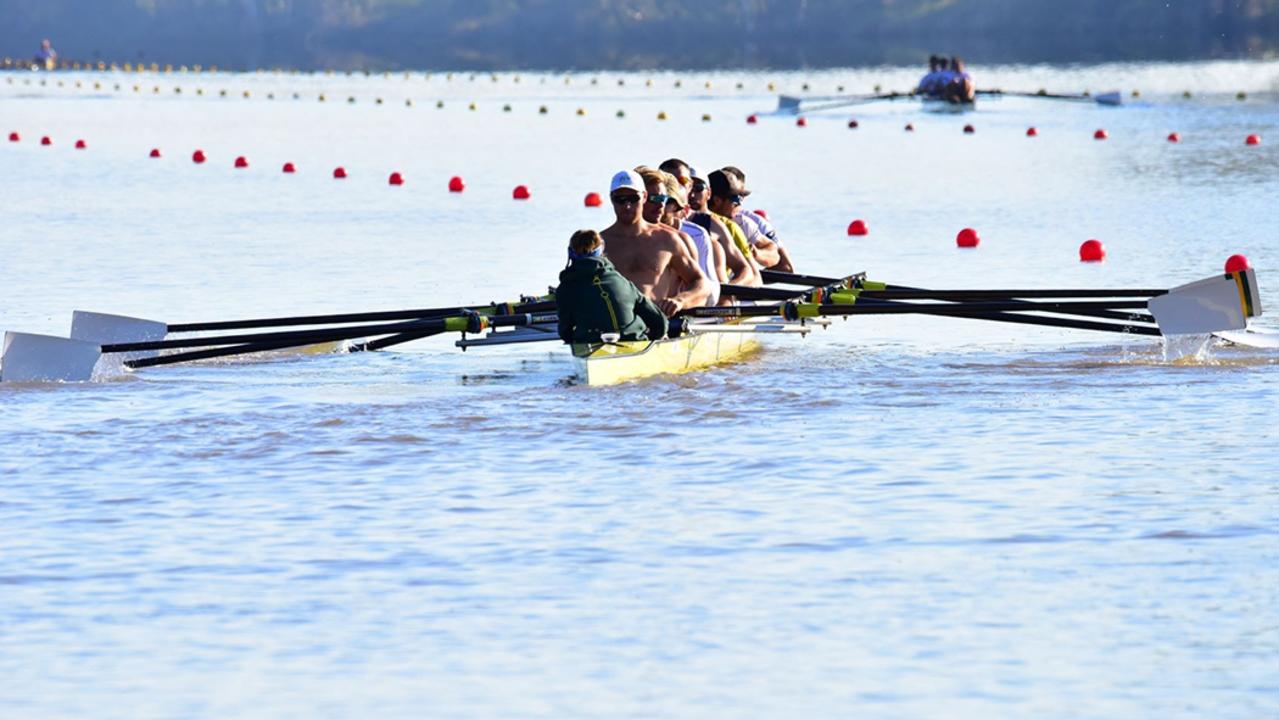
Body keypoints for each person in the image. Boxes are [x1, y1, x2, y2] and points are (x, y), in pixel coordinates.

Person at [600, 170, 711, 316]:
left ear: (644, 197)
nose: (627, 206)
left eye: (633, 199)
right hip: (615, 326)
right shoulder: (600, 243)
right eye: (620, 199)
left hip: (656, 325)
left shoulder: (668, 240)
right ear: (611, 199)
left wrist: (680, 301)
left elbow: (701, 283)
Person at [556, 229, 667, 344]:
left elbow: (565, 332)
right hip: (634, 341)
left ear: (570, 253)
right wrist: (653, 338)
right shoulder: (622, 282)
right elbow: (660, 323)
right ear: (602, 250)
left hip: (591, 346)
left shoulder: (565, 289)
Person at [637, 167, 725, 306]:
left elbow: (709, 292)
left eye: (664, 200)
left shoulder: (690, 237)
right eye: (654, 199)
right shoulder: (609, 239)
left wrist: (680, 301)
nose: (661, 206)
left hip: (675, 317)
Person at [684, 167, 762, 289]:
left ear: (709, 193)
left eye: (698, 188)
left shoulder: (728, 227)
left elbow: (754, 277)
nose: (691, 194)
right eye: (687, 187)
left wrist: (726, 290)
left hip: (716, 297)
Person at [720, 166, 794, 273]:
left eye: (738, 196)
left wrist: (749, 272)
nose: (736, 202)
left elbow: (785, 267)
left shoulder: (754, 222)